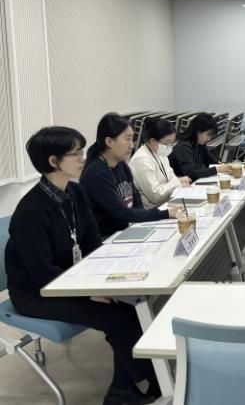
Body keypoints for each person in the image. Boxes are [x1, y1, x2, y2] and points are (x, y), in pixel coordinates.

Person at [5, 127, 159, 404]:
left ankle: (123, 389)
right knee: (116, 317)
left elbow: (91, 243)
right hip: (37, 292)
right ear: (53, 161)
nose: (82, 159)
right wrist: (88, 292)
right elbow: (42, 274)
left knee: (132, 303)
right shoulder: (31, 211)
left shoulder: (75, 192)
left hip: (73, 278)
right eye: (75, 154)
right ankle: (155, 381)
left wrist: (106, 279)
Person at [80, 113, 178, 237]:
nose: (132, 145)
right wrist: (165, 214)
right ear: (109, 141)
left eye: (132, 139)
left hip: (127, 231)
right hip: (108, 238)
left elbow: (137, 204)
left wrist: (145, 226)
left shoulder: (121, 165)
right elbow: (122, 213)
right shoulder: (96, 174)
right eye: (127, 139)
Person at [129, 117, 191, 209]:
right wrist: (177, 183)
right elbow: (156, 195)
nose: (169, 146)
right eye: (167, 143)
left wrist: (179, 182)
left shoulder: (160, 153)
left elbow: (171, 177)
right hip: (151, 210)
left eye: (172, 142)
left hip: (165, 203)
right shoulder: (141, 159)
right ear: (153, 141)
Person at [168, 113, 231, 181]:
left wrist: (225, 166)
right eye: (208, 134)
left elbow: (212, 162)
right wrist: (217, 169)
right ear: (198, 131)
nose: (209, 139)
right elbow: (190, 174)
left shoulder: (199, 144)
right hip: (179, 184)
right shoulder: (183, 147)